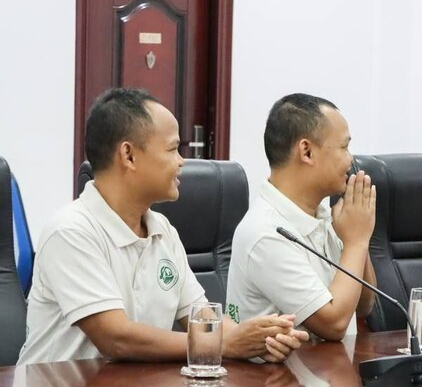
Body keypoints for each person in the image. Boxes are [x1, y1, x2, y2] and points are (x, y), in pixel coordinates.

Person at [18, 88, 306, 365]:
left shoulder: (163, 230)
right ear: (129, 155)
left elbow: (203, 319)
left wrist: (260, 340)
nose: (181, 162)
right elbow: (115, 338)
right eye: (172, 149)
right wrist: (222, 344)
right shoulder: (71, 231)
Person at [226, 94, 376, 341]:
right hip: (284, 368)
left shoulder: (325, 215)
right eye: (344, 147)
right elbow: (334, 324)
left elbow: (363, 306)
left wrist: (359, 235)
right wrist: (356, 242)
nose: (351, 159)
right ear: (307, 151)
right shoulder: (265, 232)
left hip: (334, 365)